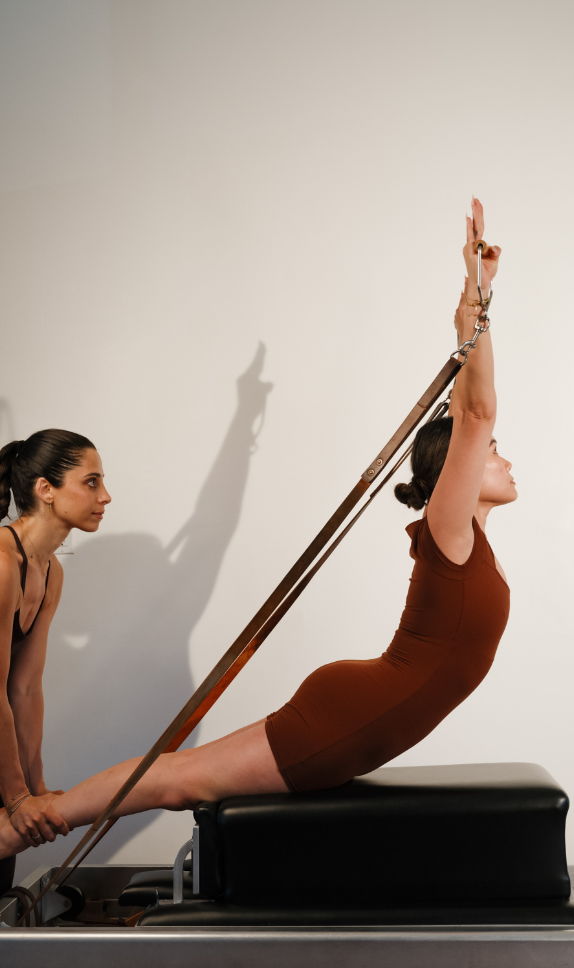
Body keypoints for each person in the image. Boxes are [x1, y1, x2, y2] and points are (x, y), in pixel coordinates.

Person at [0, 199, 517, 861]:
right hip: (348, 717)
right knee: (178, 779)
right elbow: (473, 410)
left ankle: (35, 814)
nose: (503, 453)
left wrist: (477, 302)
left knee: (176, 776)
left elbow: (467, 403)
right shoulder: (449, 532)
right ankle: (30, 821)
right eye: (493, 448)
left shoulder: (471, 539)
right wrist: (474, 295)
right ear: (457, 472)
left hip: (358, 709)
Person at [0, 431, 111, 881]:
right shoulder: (3, 566)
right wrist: (17, 798)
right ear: (46, 489)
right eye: (91, 482)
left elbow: (25, 688)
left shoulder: (49, 572)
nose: (105, 496)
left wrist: (36, 786)